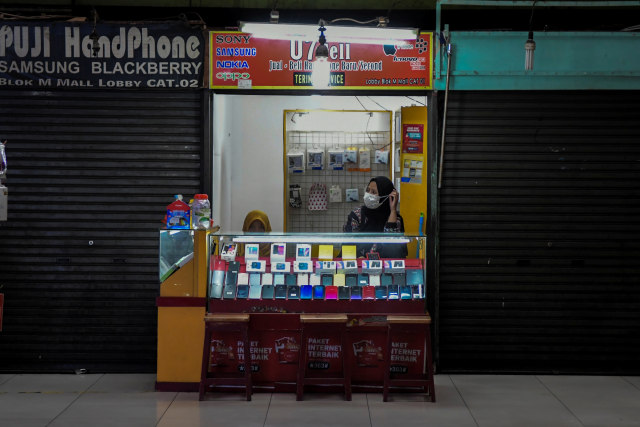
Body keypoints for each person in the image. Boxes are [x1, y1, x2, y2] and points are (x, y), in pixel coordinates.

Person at [343, 176, 408, 258]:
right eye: (367, 190)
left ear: (385, 196)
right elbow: (348, 243)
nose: (369, 194)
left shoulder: (395, 218)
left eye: (373, 192)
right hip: (358, 264)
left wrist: (393, 210)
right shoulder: (357, 214)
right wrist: (359, 257)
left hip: (386, 266)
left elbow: (392, 248)